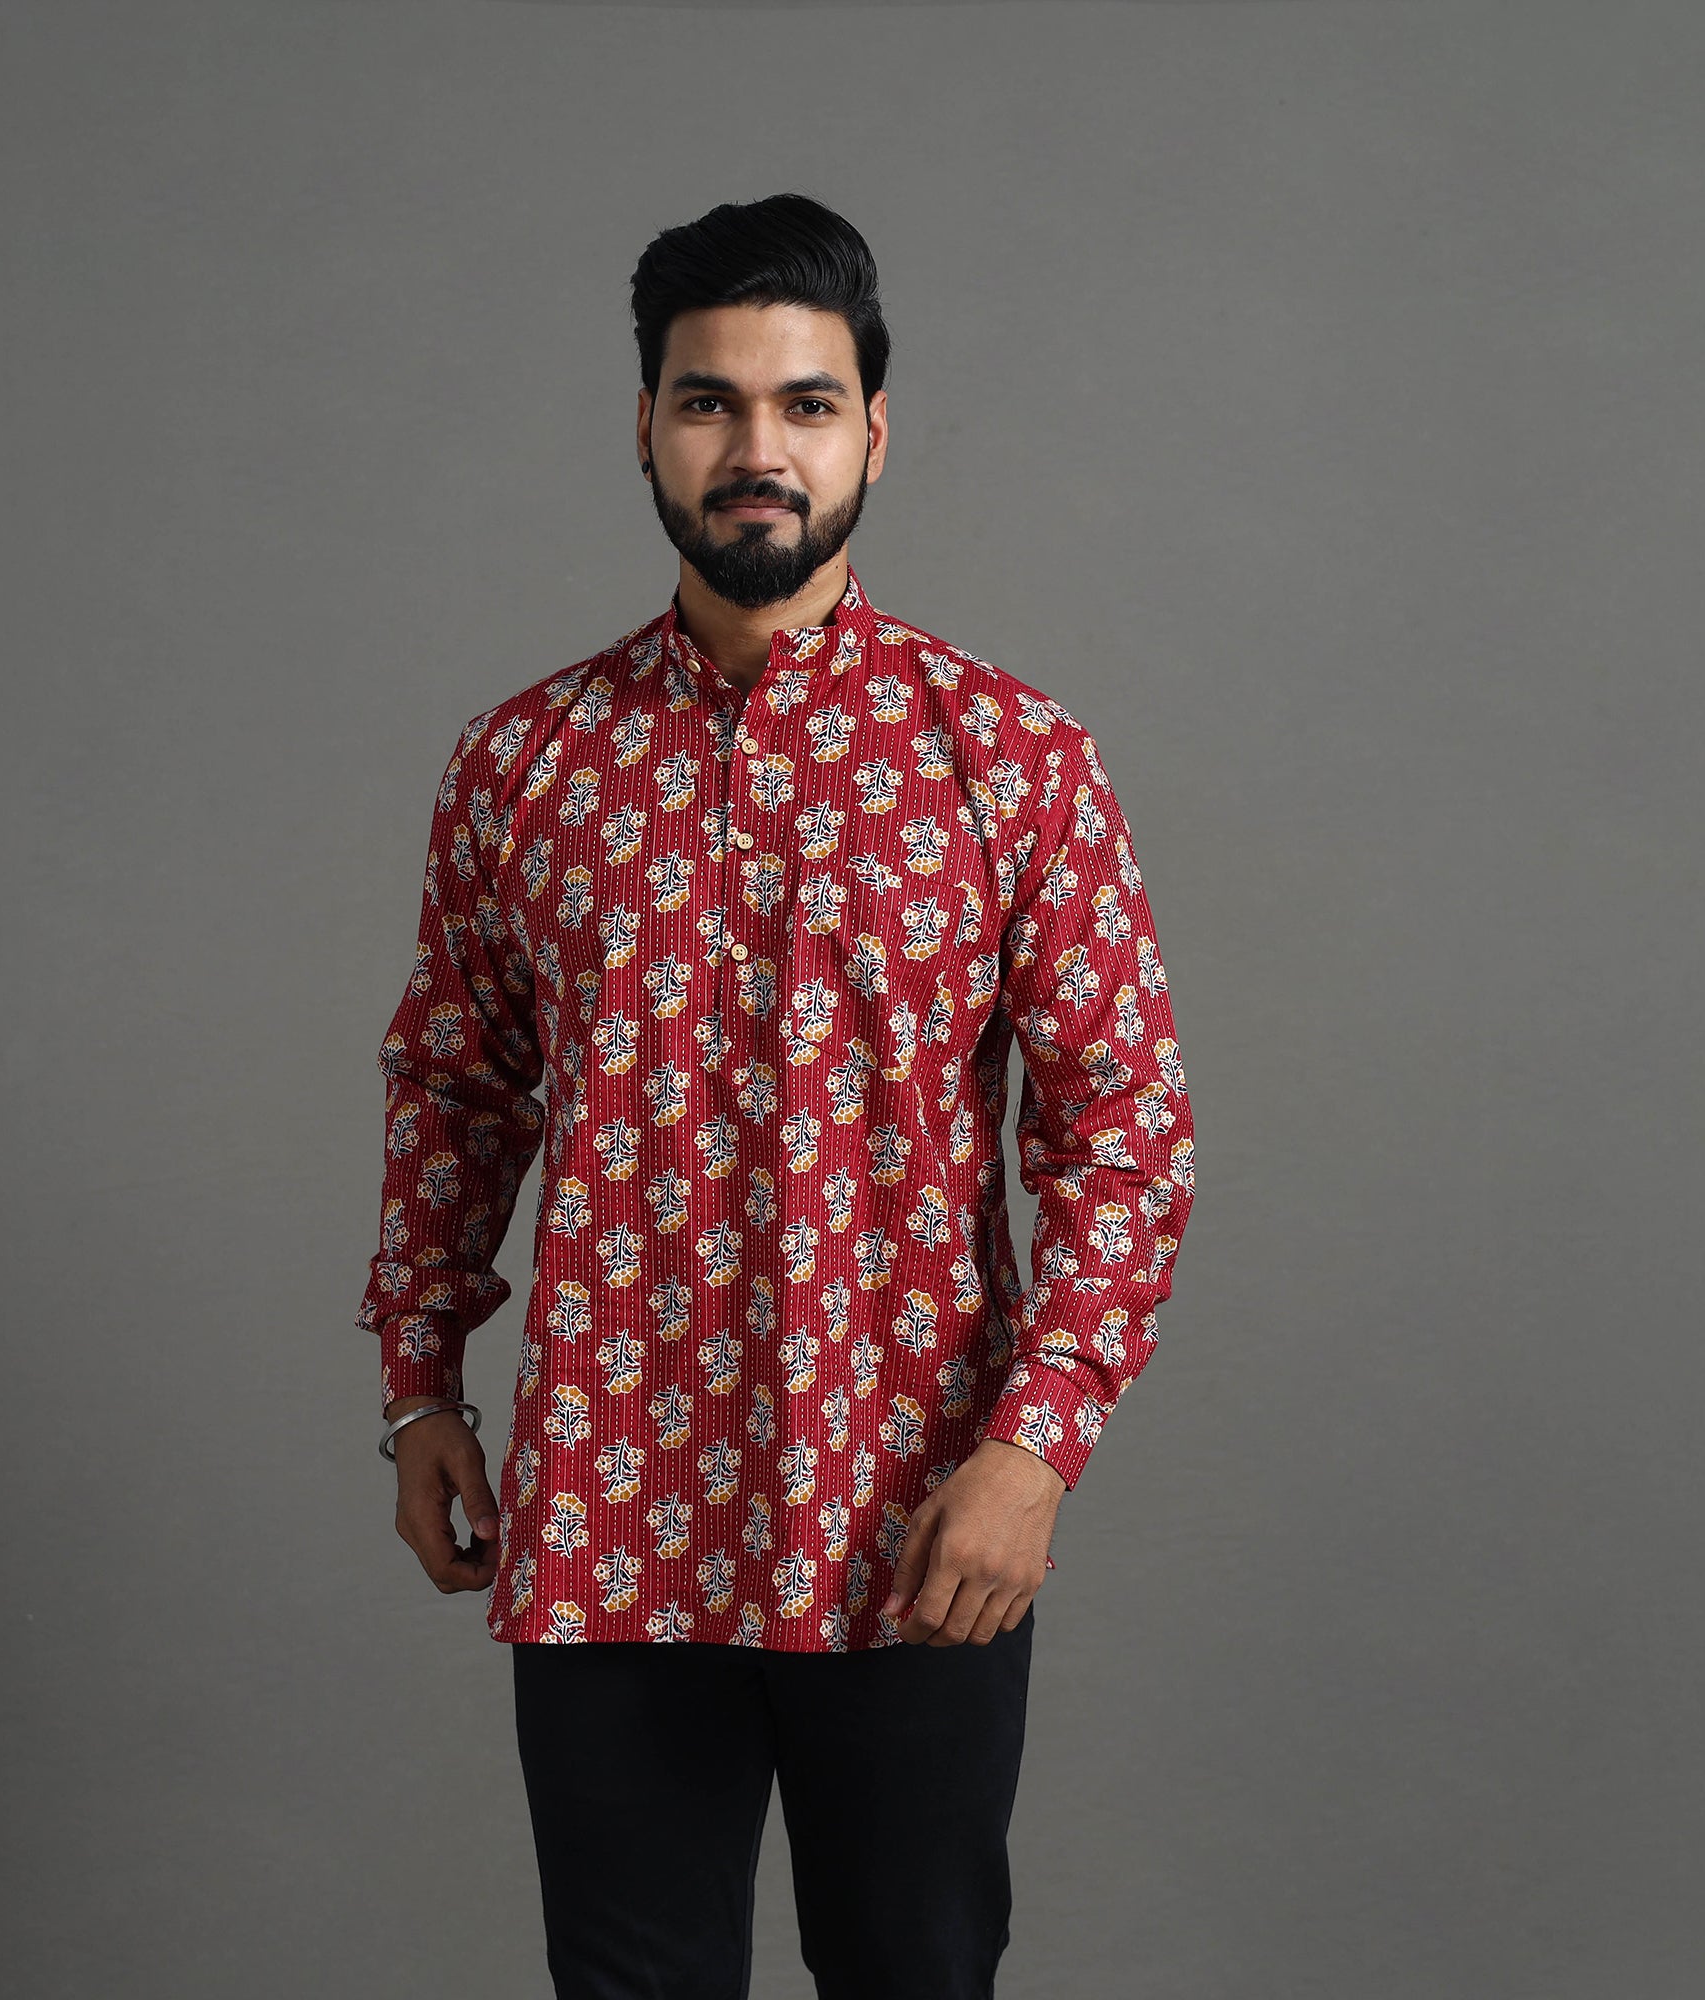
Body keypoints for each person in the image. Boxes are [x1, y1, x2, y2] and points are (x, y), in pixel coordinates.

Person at [355, 191, 1197, 1999]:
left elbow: (1125, 1136)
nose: (758, 449)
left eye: (805, 404)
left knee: (918, 1973)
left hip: (916, 1525)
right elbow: (454, 1088)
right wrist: (419, 1380)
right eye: (709, 403)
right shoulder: (526, 766)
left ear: (873, 433)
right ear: (645, 429)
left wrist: (1035, 1447)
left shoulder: (1012, 760)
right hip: (609, 1528)